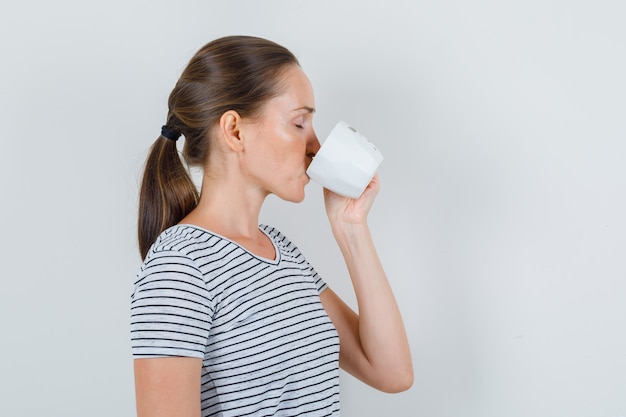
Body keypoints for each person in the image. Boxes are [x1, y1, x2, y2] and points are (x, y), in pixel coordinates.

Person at [130, 35, 413, 417]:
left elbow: (392, 373)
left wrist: (351, 228)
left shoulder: (281, 252)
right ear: (234, 131)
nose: (316, 146)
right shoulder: (180, 267)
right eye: (300, 123)